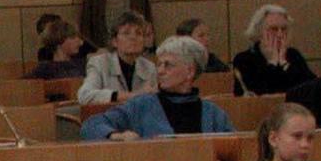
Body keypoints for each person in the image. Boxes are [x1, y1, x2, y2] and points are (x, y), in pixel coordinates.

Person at [81, 36, 231, 141]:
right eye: (159, 64)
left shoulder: (214, 113)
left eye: (168, 65)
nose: (160, 71)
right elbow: (91, 126)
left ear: (190, 71)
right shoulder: (141, 105)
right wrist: (116, 135)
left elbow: (236, 147)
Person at [231, 4, 316, 96]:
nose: (280, 34)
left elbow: (311, 88)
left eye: (283, 29)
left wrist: (284, 63)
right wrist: (273, 63)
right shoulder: (244, 60)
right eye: (274, 29)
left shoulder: (293, 55)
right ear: (259, 32)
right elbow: (260, 93)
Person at [77, 11, 156, 106]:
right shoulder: (99, 63)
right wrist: (127, 96)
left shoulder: (149, 67)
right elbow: (84, 96)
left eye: (138, 33)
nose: (133, 37)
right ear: (114, 41)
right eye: (126, 33)